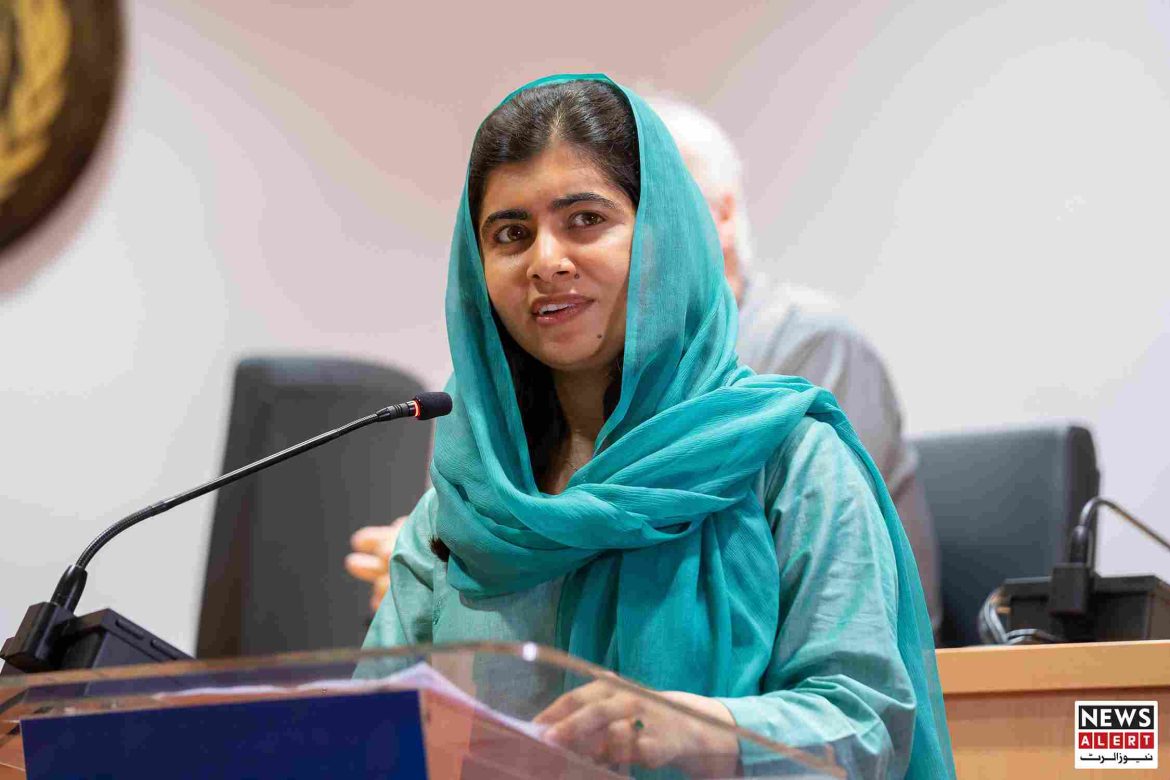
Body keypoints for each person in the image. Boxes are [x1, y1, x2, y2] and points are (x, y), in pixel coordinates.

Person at [358, 74, 953, 778]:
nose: (547, 261)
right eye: (512, 234)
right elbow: (373, 732)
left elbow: (869, 726)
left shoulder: (789, 461)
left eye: (585, 219)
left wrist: (709, 730)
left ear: (666, 236)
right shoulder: (463, 506)